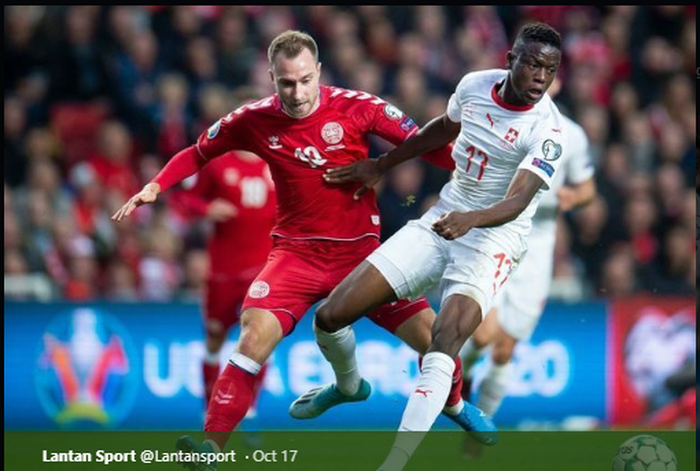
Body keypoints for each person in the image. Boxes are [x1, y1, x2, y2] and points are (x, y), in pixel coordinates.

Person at [112, 30, 478, 470]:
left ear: (319, 72)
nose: (298, 92)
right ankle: (212, 446)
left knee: (434, 339)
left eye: (305, 80)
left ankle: (455, 406)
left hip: (362, 258)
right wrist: (154, 186)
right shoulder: (253, 119)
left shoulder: (359, 107)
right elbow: (198, 152)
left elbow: (423, 143)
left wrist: (481, 173)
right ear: (271, 78)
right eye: (287, 83)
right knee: (252, 335)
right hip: (296, 255)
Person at [291, 23, 566, 471]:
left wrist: (471, 219)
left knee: (443, 345)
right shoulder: (474, 86)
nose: (540, 77)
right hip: (443, 220)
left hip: (493, 240)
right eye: (533, 64)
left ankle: (395, 463)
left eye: (549, 70)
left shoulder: (548, 130)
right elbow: (443, 128)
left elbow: (518, 201)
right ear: (510, 57)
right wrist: (381, 163)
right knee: (329, 316)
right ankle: (347, 386)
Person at [458, 81, 596, 456]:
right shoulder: (501, 119)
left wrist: (572, 196)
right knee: (484, 334)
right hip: (498, 231)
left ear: (558, 82)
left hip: (539, 243)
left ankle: (478, 427)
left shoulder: (573, 135)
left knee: (505, 348)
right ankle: (465, 373)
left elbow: (587, 189)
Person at [170, 148, 276, 422]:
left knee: (260, 337)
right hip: (223, 271)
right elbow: (183, 199)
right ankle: (209, 409)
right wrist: (207, 208)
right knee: (215, 338)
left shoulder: (277, 161)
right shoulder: (217, 165)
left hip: (262, 269)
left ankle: (248, 408)